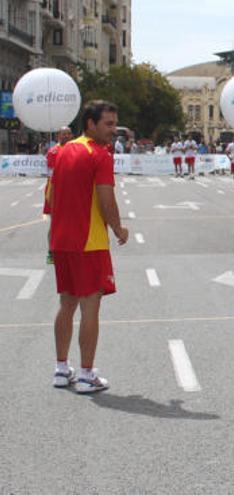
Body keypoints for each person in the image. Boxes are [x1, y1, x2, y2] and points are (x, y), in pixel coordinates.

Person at [49, 100, 128, 393]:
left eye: (114, 124)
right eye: (107, 124)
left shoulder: (63, 151)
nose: (113, 130)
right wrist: (119, 229)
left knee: (66, 303)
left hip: (61, 239)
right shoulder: (100, 155)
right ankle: (85, 374)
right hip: (89, 241)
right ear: (90, 123)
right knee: (90, 307)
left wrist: (52, 236)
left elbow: (52, 195)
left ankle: (60, 369)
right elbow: (106, 199)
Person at [43, 126, 74, 264]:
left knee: (73, 223)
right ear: (58, 136)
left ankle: (69, 251)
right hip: (55, 191)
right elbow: (53, 175)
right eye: (63, 134)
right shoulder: (53, 152)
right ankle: (51, 252)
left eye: (68, 134)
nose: (66, 136)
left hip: (72, 192)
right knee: (55, 224)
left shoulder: (75, 150)